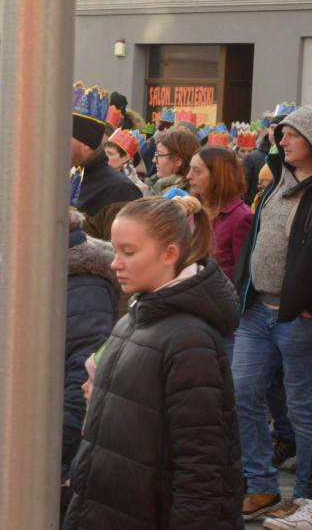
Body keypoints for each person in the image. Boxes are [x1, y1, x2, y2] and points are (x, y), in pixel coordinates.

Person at [62, 195, 243, 529]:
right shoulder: (137, 317)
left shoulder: (191, 341)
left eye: (128, 252)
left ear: (169, 254)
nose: (115, 263)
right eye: (115, 250)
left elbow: (201, 467)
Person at [0, 200, 118, 523]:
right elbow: (14, 358)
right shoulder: (40, 273)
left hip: (51, 453)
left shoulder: (83, 288)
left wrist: (46, 457)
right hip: (32, 442)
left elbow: (80, 386)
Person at [232, 105, 312, 526]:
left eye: (292, 133)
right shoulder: (277, 181)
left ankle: (304, 499)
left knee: (303, 410)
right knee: (241, 393)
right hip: (257, 309)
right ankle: (262, 487)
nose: (282, 140)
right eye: (281, 134)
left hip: (299, 317)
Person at [71, 82, 143, 240]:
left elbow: (125, 249)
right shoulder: (55, 179)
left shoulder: (120, 191)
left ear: (86, 143)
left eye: (66, 135)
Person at [186, 146, 252, 282]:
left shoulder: (241, 216)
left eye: (196, 171)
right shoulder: (195, 208)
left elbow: (242, 275)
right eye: (190, 169)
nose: (189, 176)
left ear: (218, 175)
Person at [151, 126, 199, 196]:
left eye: (160, 155)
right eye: (156, 154)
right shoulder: (158, 185)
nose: (154, 160)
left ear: (178, 160)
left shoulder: (190, 194)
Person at [104, 129, 149, 196]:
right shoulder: (96, 175)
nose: (104, 157)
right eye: (104, 153)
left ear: (125, 158)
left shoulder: (138, 188)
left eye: (110, 154)